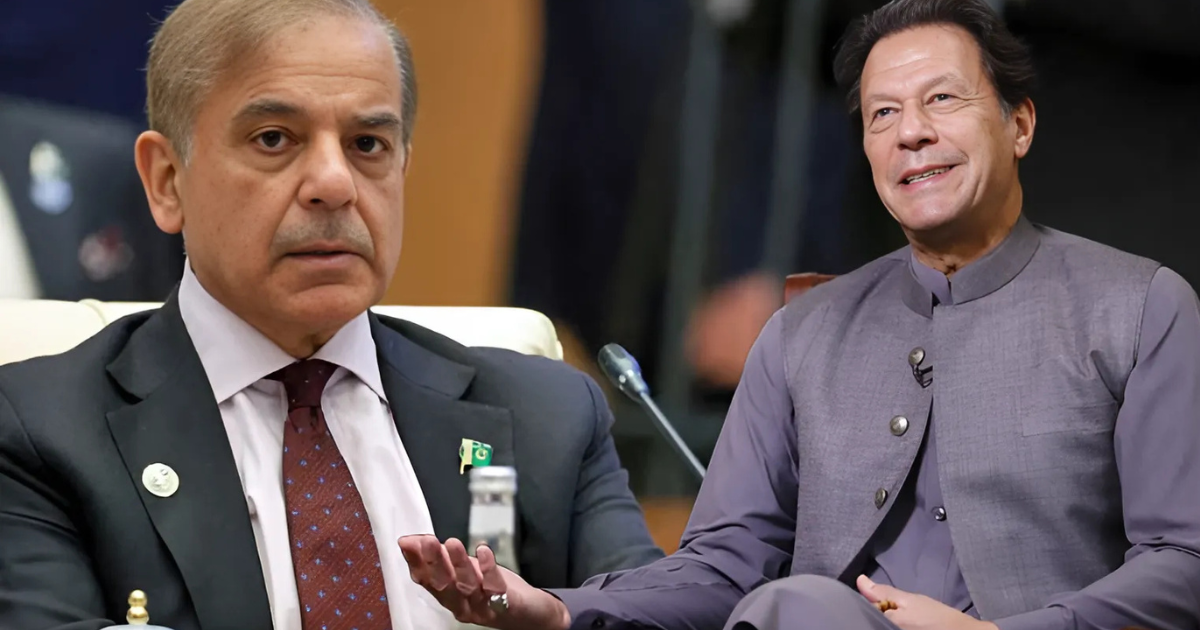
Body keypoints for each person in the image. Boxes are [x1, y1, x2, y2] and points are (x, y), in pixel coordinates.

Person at [399, 0, 1200, 629]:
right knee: (794, 605)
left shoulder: (1138, 308)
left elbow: (1184, 559)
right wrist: (562, 608)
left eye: (941, 99)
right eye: (882, 115)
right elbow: (723, 565)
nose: (911, 133)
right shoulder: (805, 332)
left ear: (1018, 124)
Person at [0, 0, 663, 628]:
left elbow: (658, 612)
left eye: (368, 144)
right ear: (166, 180)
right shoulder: (42, 433)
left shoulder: (547, 418)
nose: (335, 183)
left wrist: (563, 619)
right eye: (274, 139)